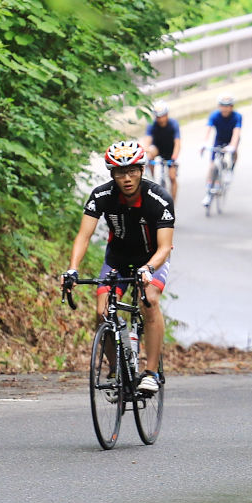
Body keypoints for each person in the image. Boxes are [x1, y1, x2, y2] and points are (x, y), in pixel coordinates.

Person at [63, 140, 175, 393]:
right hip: (118, 261)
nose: (126, 178)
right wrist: (72, 269)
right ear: (112, 174)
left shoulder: (158, 198)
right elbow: (83, 236)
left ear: (142, 170)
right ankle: (116, 370)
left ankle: (152, 372)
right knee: (102, 310)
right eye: (120, 172)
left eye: (132, 171)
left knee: (149, 299)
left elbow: (165, 247)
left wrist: (148, 268)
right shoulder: (102, 196)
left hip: (152, 259)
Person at [200, 93, 242, 207]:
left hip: (232, 139)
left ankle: (231, 170)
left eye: (227, 106)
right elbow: (208, 130)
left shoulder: (237, 116)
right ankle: (209, 192)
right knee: (212, 166)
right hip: (218, 139)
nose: (225, 108)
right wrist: (204, 143)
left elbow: (236, 132)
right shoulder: (214, 115)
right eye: (222, 106)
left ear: (232, 107)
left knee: (234, 150)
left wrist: (232, 147)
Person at [143, 102, 181, 198]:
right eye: (157, 117)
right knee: (149, 155)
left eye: (162, 116)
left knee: (172, 177)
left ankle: (172, 203)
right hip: (157, 148)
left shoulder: (173, 124)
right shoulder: (152, 124)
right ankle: (152, 179)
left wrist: (174, 158)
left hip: (170, 151)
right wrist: (146, 151)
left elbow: (177, 143)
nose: (160, 119)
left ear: (166, 115)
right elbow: (147, 141)